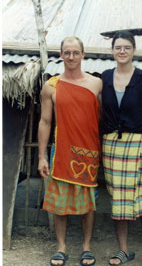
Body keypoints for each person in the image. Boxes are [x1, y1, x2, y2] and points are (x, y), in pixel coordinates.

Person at [38, 36, 102, 266]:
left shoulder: (96, 83)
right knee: (59, 203)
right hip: (61, 150)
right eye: (67, 52)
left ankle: (86, 247)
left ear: (83, 54)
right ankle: (61, 247)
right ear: (61, 55)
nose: (71, 57)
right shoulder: (51, 85)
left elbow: (100, 116)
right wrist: (42, 156)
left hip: (88, 151)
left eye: (76, 52)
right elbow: (45, 121)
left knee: (88, 203)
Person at [101, 31, 142, 266]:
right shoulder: (104, 78)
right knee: (119, 200)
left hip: (139, 145)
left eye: (126, 47)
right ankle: (123, 250)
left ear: (134, 49)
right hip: (112, 146)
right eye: (118, 47)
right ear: (112, 51)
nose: (122, 51)